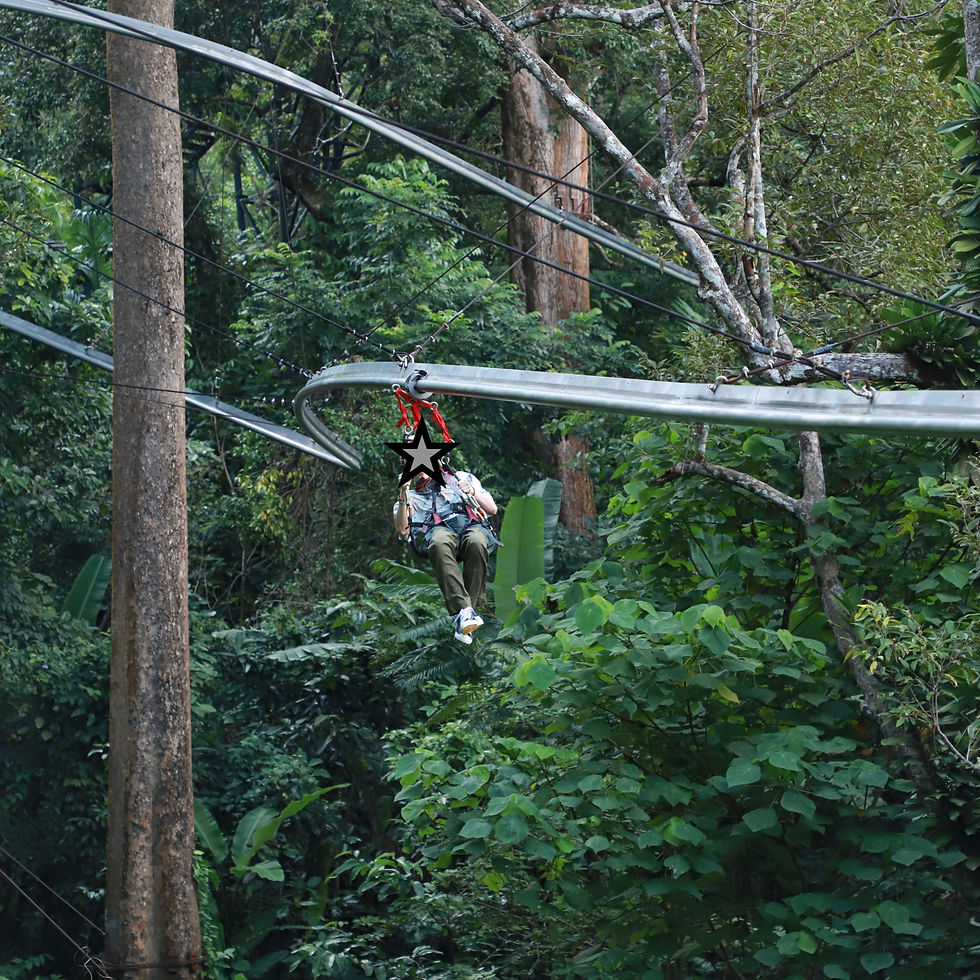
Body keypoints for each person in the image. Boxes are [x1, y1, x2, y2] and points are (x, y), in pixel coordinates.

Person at [393, 464, 499, 643]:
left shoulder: (460, 477)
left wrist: (471, 491)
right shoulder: (412, 496)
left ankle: (468, 612)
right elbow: (403, 531)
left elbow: (492, 509)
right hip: (440, 529)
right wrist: (404, 493)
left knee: (476, 541)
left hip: (471, 526)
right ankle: (465, 612)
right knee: (439, 542)